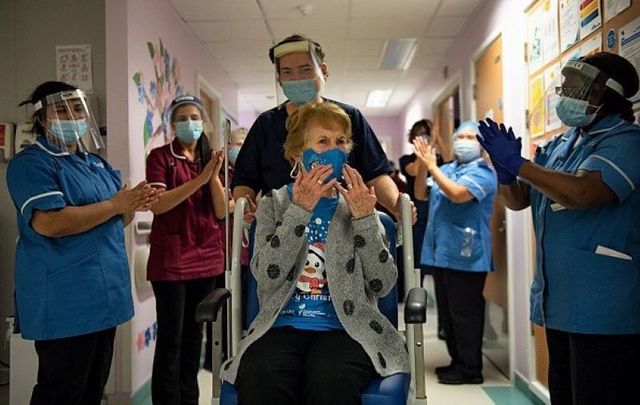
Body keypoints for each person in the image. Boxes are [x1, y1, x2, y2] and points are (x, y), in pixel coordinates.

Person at [477, 52, 640, 404]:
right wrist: (505, 174)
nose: (566, 92)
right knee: (564, 395)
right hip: (561, 303)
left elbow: (582, 192)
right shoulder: (563, 143)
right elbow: (519, 201)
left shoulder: (627, 141)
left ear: (606, 93)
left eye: (578, 86)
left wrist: (519, 164)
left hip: (606, 309)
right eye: (565, 84)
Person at [220, 102, 409, 404]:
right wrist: (299, 211)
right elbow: (266, 277)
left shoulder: (360, 206)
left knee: (330, 378)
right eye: (323, 142)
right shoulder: (274, 204)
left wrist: (364, 222)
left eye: (341, 142)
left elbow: (381, 284)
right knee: (262, 375)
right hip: (281, 324)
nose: (333, 150)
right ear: (297, 153)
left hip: (349, 328)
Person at [6, 81, 158, 405]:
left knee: (92, 389)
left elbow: (117, 221)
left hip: (104, 298)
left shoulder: (96, 163)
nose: (72, 115)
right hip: (65, 300)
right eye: (61, 110)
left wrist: (133, 203)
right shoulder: (32, 163)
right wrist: (117, 204)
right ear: (42, 119)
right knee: (61, 391)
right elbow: (50, 222)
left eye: (77, 108)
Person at [232, 33, 415, 224]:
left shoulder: (348, 118)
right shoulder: (266, 125)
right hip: (283, 227)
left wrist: (396, 206)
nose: (297, 79)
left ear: (323, 70)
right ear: (278, 78)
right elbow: (245, 180)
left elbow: (376, 175)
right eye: (287, 72)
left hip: (345, 227)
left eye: (305, 69)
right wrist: (245, 205)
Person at [145, 95, 227, 405]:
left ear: (204, 122)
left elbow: (220, 212)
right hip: (171, 262)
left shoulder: (211, 160)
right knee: (171, 339)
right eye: (182, 118)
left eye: (195, 117)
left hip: (205, 259)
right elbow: (160, 204)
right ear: (172, 125)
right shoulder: (160, 157)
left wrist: (213, 176)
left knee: (195, 338)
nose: (189, 123)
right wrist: (201, 178)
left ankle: (189, 399)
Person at [413, 121, 497, 385]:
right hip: (441, 253)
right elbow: (420, 194)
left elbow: (458, 194)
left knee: (465, 314)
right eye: (459, 135)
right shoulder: (448, 169)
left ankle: (472, 369)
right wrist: (423, 164)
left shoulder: (484, 172)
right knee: (448, 314)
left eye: (470, 136)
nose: (464, 140)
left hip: (467, 255)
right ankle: (456, 362)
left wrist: (433, 166)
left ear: (481, 143)